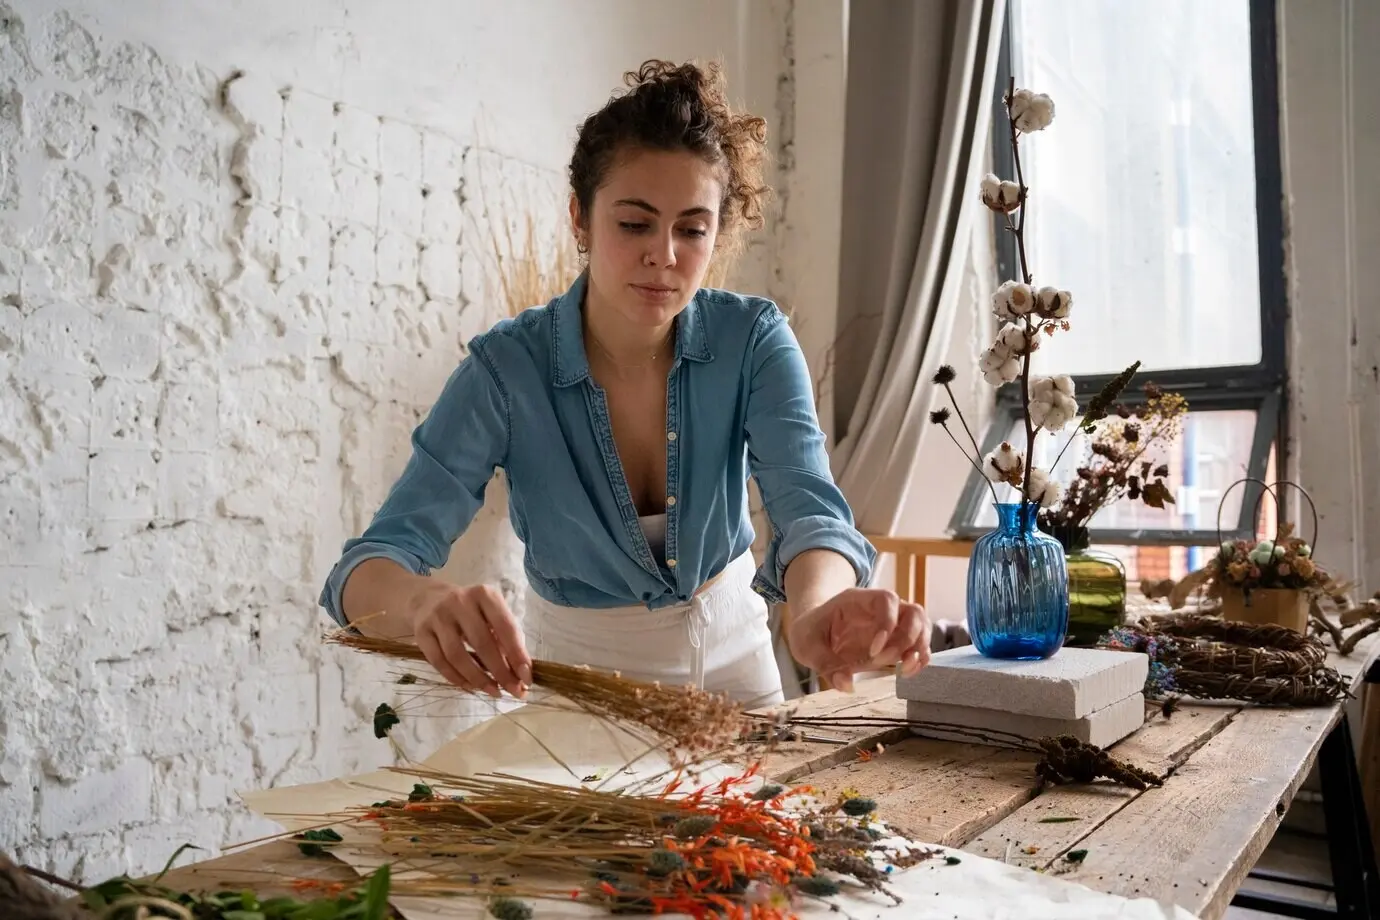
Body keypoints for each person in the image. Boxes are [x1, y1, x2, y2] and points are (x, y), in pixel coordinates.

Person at [319, 60, 930, 708]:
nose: (663, 254)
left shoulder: (754, 341)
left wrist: (817, 613)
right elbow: (362, 573)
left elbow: (810, 512)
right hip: (581, 684)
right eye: (634, 223)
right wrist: (422, 604)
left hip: (738, 670)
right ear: (581, 218)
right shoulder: (505, 371)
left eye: (692, 229)